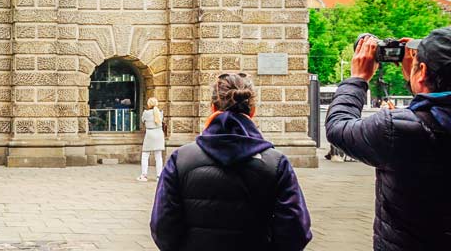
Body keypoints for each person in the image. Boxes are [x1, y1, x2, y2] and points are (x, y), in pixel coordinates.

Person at [150, 72, 312, 251]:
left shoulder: (181, 159)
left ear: (212, 108)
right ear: (252, 110)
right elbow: (296, 230)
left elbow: (162, 226)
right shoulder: (276, 163)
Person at [325, 29, 451, 250]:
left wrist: (357, 79)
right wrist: (419, 76)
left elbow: (338, 128)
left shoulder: (396, 130)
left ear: (422, 71)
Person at [138, 97, 165, 182]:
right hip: (159, 134)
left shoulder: (146, 113)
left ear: (148, 104)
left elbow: (143, 120)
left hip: (150, 134)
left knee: (145, 155)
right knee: (158, 156)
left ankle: (144, 175)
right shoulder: (160, 113)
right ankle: (159, 176)